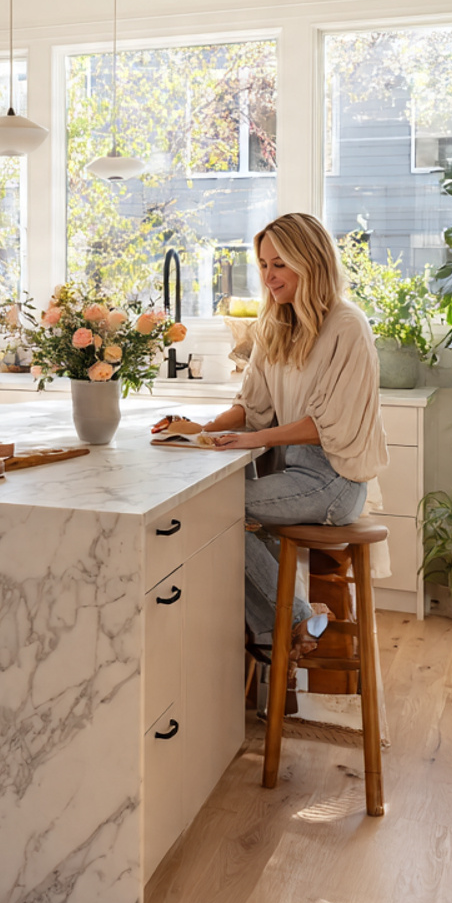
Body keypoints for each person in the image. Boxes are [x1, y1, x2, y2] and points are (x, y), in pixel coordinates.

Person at [153, 213, 389, 658]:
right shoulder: (275, 324)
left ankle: (290, 625)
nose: (268, 276)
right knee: (218, 512)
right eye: (263, 264)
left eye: (280, 264)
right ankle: (281, 632)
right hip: (295, 471)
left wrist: (252, 440)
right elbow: (252, 406)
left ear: (311, 262)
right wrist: (201, 428)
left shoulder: (347, 325)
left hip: (335, 480)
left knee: (213, 511)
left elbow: (326, 426)